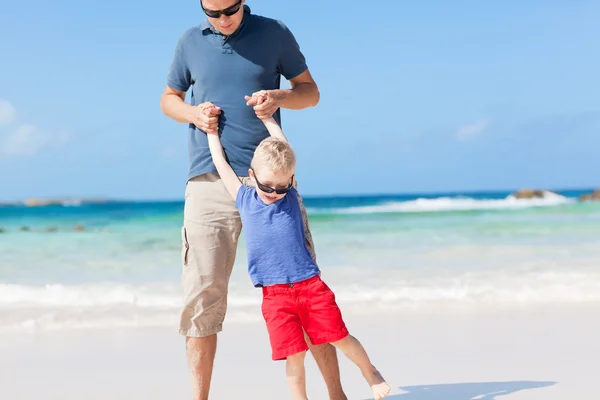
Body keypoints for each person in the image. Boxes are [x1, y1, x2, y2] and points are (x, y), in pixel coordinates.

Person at [159, 1, 347, 399]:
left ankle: (336, 395)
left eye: (229, 9)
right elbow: (169, 98)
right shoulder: (190, 41)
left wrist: (279, 97)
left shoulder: (274, 32)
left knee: (304, 291)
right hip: (209, 181)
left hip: (272, 182)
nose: (222, 18)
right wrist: (193, 115)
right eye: (212, 12)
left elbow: (310, 93)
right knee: (202, 294)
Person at [205, 111, 391, 400]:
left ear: (291, 180)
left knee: (339, 337)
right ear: (252, 176)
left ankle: (370, 371)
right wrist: (211, 132)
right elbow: (220, 162)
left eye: (282, 186)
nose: (275, 192)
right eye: (267, 185)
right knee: (294, 356)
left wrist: (269, 120)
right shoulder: (243, 197)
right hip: (275, 295)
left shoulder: (291, 195)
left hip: (310, 286)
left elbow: (285, 147)